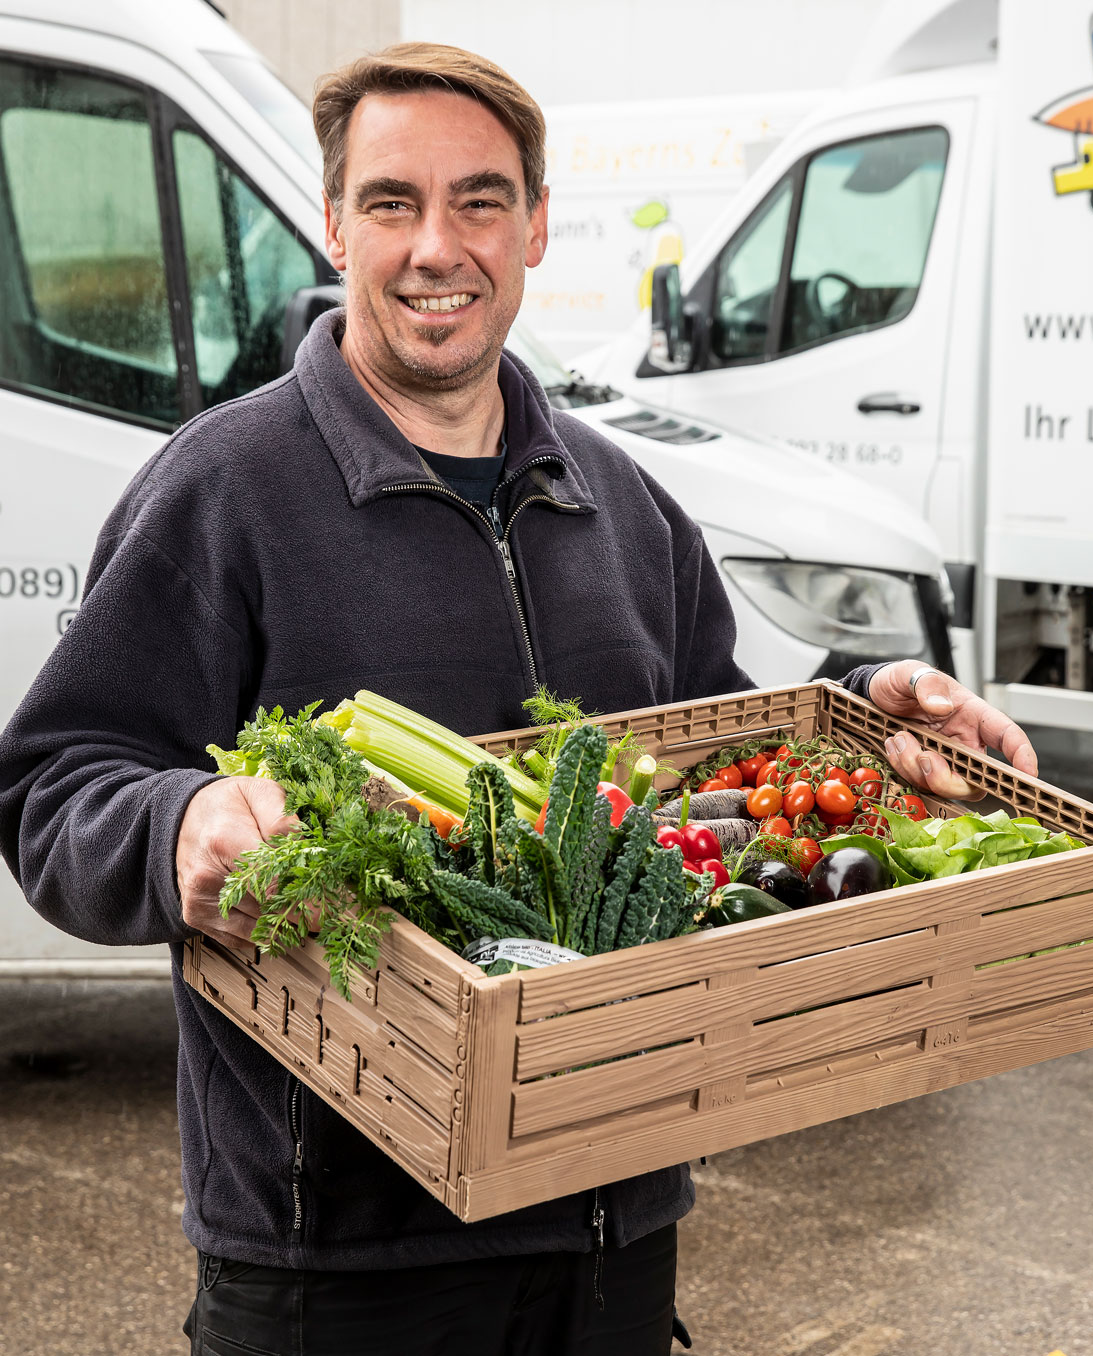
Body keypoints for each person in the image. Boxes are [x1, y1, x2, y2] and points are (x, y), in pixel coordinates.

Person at [0, 42, 1037, 1356]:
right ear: (333, 222)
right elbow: (51, 785)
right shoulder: (222, 491)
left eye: (480, 201)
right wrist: (177, 823)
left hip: (616, 1235)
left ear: (536, 225)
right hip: (343, 1268)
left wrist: (870, 718)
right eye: (391, 203)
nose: (438, 246)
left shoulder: (624, 505)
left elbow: (715, 770)